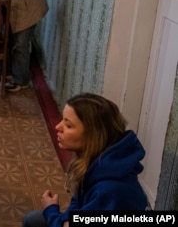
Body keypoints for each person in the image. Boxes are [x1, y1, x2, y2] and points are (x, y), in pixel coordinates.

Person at [22, 93, 148, 227]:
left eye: (68, 125)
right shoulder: (99, 163)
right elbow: (78, 201)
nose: (58, 127)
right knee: (34, 219)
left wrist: (51, 209)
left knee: (34, 220)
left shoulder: (106, 191)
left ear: (92, 136)